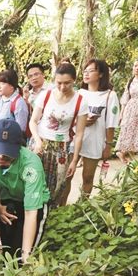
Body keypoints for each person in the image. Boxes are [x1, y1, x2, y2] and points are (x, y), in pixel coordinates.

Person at [0, 120, 50, 262]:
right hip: (7, 199)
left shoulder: (31, 166)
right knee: (9, 250)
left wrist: (26, 256)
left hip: (33, 204)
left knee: (24, 253)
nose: (0, 157)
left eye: (7, 152)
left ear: (18, 148)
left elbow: (31, 212)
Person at [29, 63, 88, 206]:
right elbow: (33, 121)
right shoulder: (46, 95)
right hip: (40, 144)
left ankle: (50, 218)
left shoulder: (81, 101)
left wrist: (74, 160)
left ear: (74, 80)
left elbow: (79, 134)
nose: (62, 87)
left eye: (67, 83)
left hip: (62, 149)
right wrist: (37, 141)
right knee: (32, 182)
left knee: (56, 187)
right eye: (59, 83)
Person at [62, 59, 120, 202]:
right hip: (74, 140)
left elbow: (110, 124)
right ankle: (61, 207)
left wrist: (108, 145)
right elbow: (67, 116)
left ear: (101, 74)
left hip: (94, 141)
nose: (86, 74)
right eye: (85, 71)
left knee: (88, 177)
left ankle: (82, 207)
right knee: (66, 177)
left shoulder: (110, 96)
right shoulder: (78, 94)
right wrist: (80, 121)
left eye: (91, 70)